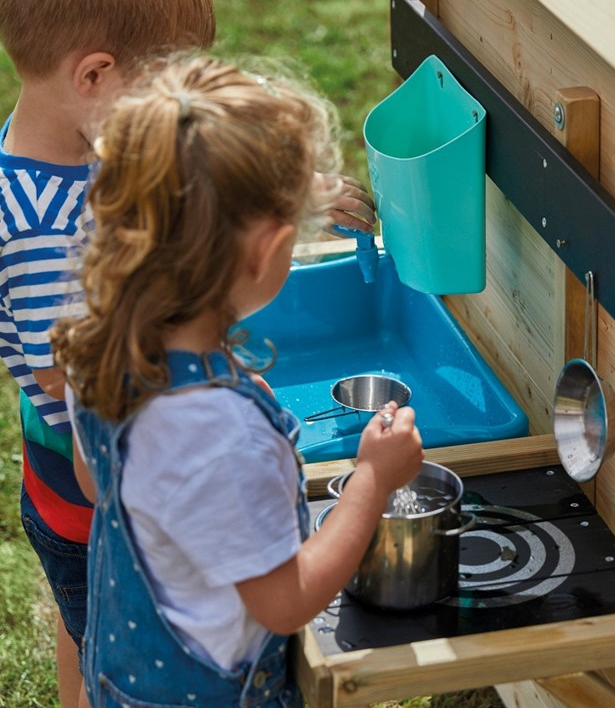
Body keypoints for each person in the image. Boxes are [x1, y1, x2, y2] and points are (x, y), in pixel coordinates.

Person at [0, 0, 375, 705]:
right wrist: (372, 482)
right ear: (94, 75)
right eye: (162, 76)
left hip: (98, 475)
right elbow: (68, 374)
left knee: (102, 628)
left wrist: (299, 198)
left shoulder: (101, 156)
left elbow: (183, 193)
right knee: (93, 611)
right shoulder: (40, 228)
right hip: (83, 495)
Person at [51, 53, 423, 708]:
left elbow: (95, 479)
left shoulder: (101, 340)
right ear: (268, 251)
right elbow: (287, 602)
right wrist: (371, 477)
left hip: (124, 679)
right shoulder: (218, 434)